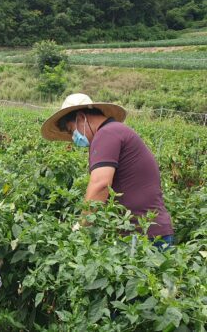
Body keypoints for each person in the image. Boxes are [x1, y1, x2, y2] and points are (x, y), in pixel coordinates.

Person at [40, 93, 174, 247]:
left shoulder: (106, 134)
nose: (73, 138)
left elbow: (100, 185)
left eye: (72, 131)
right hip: (148, 232)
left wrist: (82, 227)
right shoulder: (115, 131)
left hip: (143, 237)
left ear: (81, 118)